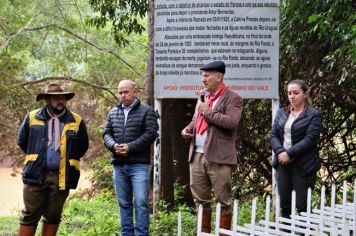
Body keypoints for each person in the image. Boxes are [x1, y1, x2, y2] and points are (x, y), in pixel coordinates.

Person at [17, 83, 89, 236]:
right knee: (30, 214)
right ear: (47, 100)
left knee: (53, 215)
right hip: (36, 173)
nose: (60, 101)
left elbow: (82, 147)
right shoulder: (32, 117)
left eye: (62, 98)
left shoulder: (76, 120)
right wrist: (37, 158)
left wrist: (64, 160)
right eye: (56, 98)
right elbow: (23, 141)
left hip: (61, 176)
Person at [181, 61, 243, 234]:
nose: (203, 79)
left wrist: (206, 111)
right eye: (202, 75)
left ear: (219, 76)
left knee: (223, 200)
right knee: (201, 201)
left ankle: (223, 233)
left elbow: (231, 122)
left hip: (219, 157)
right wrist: (188, 129)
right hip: (197, 155)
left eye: (207, 75)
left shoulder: (233, 98)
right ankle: (204, 233)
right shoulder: (203, 97)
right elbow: (196, 120)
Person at [103, 79, 158, 236]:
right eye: (120, 92)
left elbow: (151, 134)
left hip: (139, 165)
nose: (123, 95)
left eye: (126, 92)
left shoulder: (147, 111)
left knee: (140, 202)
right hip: (119, 164)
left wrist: (130, 147)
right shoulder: (113, 112)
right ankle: (126, 234)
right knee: (124, 203)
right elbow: (106, 133)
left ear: (134, 92)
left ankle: (142, 234)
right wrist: (113, 145)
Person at [270, 79, 323, 219]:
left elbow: (310, 139)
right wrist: (280, 152)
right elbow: (274, 134)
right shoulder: (282, 113)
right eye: (289, 93)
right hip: (283, 164)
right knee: (285, 206)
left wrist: (290, 153)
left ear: (305, 94)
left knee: (302, 206)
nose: (292, 96)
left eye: (296, 93)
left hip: (303, 165)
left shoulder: (313, 115)